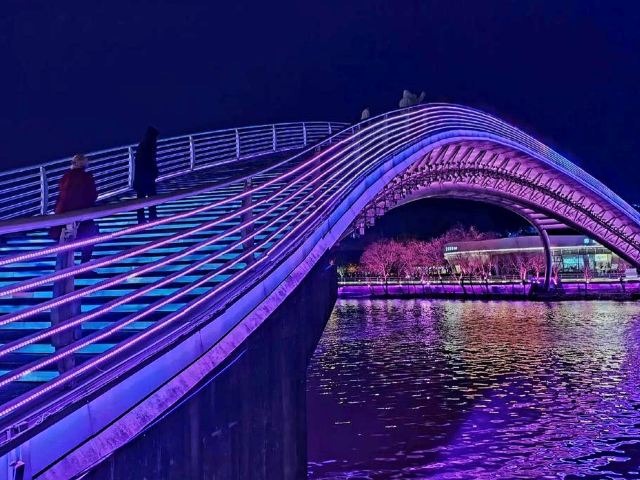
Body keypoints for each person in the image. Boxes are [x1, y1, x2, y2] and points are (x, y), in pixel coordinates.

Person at [49, 153, 98, 263]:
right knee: (90, 234)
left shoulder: (65, 177)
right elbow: (92, 196)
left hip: (63, 215)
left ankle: (65, 265)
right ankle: (84, 265)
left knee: (66, 239)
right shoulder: (86, 177)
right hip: (81, 214)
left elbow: (62, 196)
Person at [133, 126, 159, 223]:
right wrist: (154, 172)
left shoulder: (142, 145)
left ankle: (141, 219)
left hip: (140, 177)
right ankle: (152, 217)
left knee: (141, 198)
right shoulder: (149, 146)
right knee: (151, 197)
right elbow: (151, 161)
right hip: (147, 177)